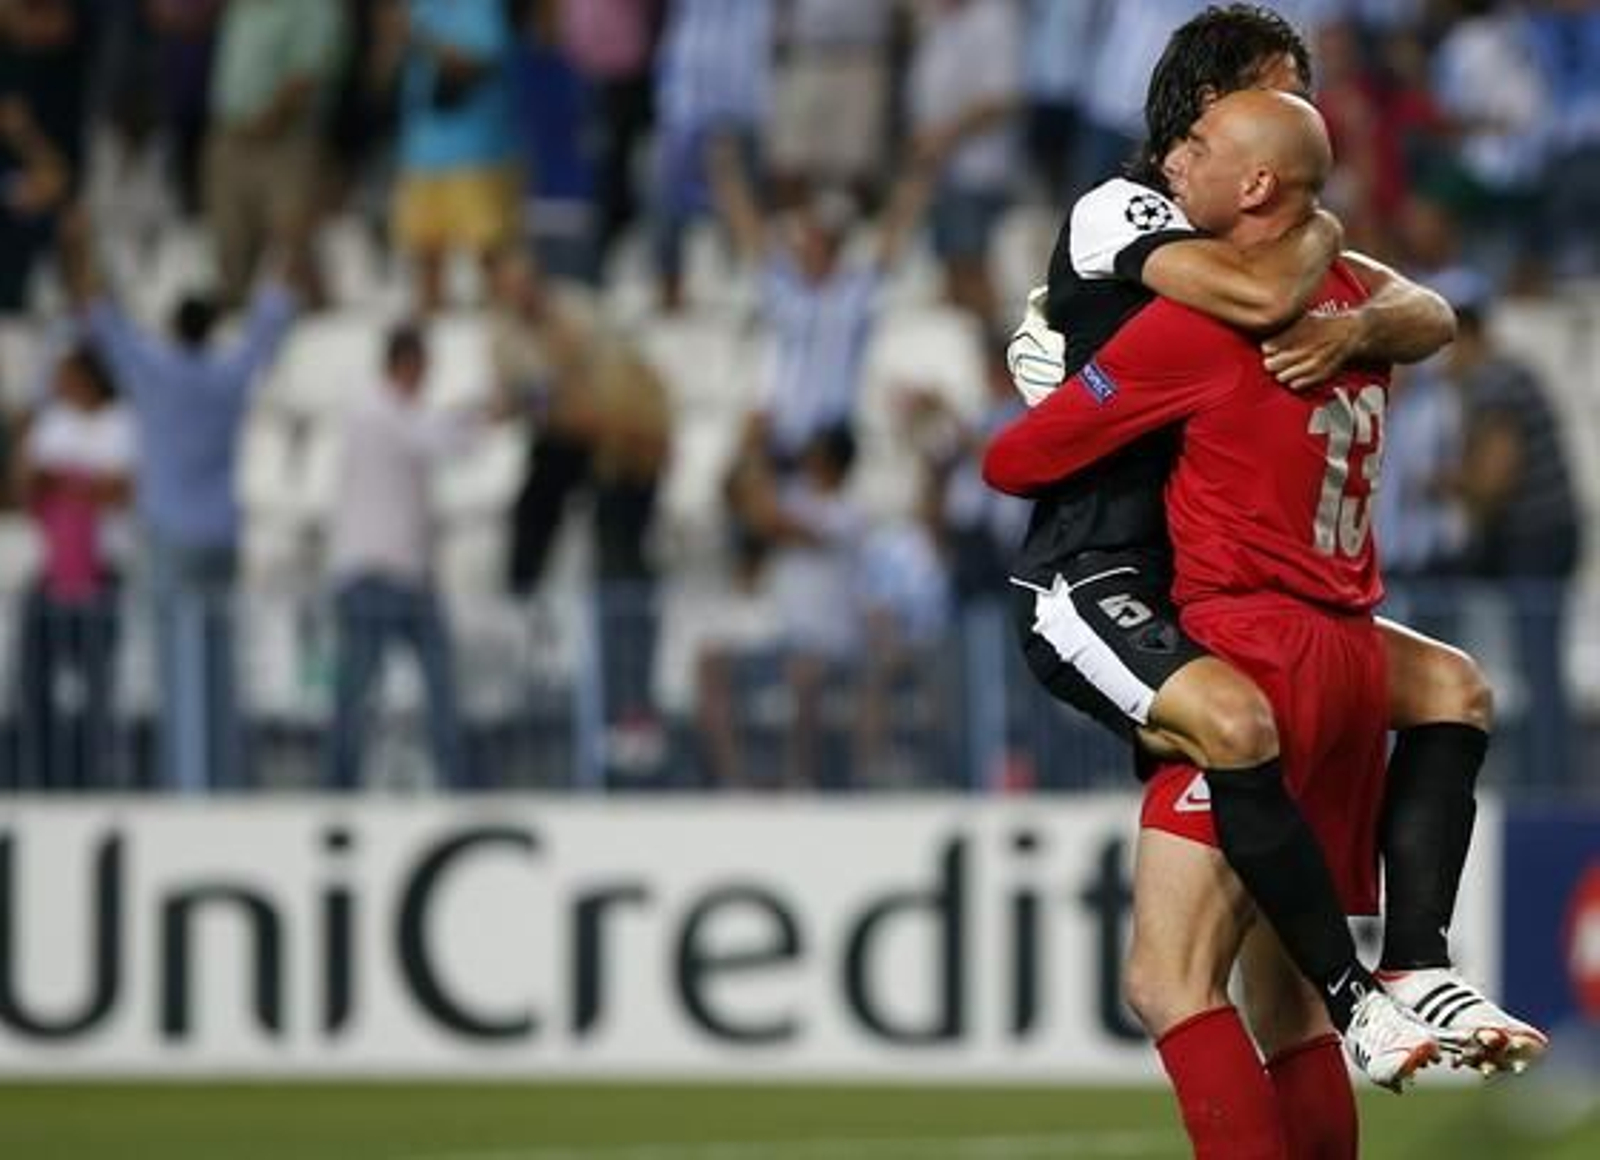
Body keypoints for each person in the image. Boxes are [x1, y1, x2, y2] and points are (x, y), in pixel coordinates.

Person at [1004, 3, 1541, 1083]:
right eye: (1281, 94)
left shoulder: (1281, 260)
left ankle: (1397, 976)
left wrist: (1355, 315)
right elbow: (1262, 294)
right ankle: (1380, 984)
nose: (1306, 114)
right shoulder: (1128, 209)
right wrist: (1328, 239)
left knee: (1244, 984)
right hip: (1111, 570)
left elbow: (1430, 315)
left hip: (1232, 593)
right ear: (1216, 115)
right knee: (1188, 966)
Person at [985, 89, 1414, 1156]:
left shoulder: (1196, 322)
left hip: (1236, 647)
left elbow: (1013, 460)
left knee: (1169, 978)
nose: (1176, 162)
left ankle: (1366, 990)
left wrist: (1073, 387)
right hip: (1342, 652)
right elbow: (1433, 315)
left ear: (1256, 181)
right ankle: (1398, 969)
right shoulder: (1352, 305)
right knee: (1282, 997)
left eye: (1200, 144)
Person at [65, 209, 300, 794]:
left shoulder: (155, 372)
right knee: (219, 666)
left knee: (178, 669)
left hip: (171, 536)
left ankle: (184, 782)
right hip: (221, 536)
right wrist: (285, 242)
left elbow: (100, 314)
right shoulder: (228, 374)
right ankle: (221, 779)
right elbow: (270, 322)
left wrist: (80, 241)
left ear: (173, 327)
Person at [324, 323, 491, 791]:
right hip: (371, 577)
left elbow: (435, 430)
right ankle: (336, 788)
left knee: (440, 686)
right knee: (356, 694)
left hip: (409, 577)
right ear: (406, 363)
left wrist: (474, 416)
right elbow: (436, 438)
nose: (426, 379)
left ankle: (454, 784)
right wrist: (485, 414)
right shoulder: (373, 411)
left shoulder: (397, 413)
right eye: (423, 368)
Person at [1441, 278, 1582, 791]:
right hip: (1544, 535)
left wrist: (1446, 485)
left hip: (1535, 539)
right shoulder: (1505, 374)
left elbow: (1496, 476)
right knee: (1534, 664)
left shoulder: (1494, 381)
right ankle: (1546, 776)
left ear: (1468, 336)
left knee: (1537, 666)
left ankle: (1547, 784)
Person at [10, 346, 135, 790]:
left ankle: (95, 774)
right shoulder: (51, 423)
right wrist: (77, 484)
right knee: (34, 678)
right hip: (50, 571)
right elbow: (26, 487)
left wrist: (64, 482)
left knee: (97, 685)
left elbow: (121, 490)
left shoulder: (121, 424)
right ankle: (41, 774)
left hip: (104, 571)